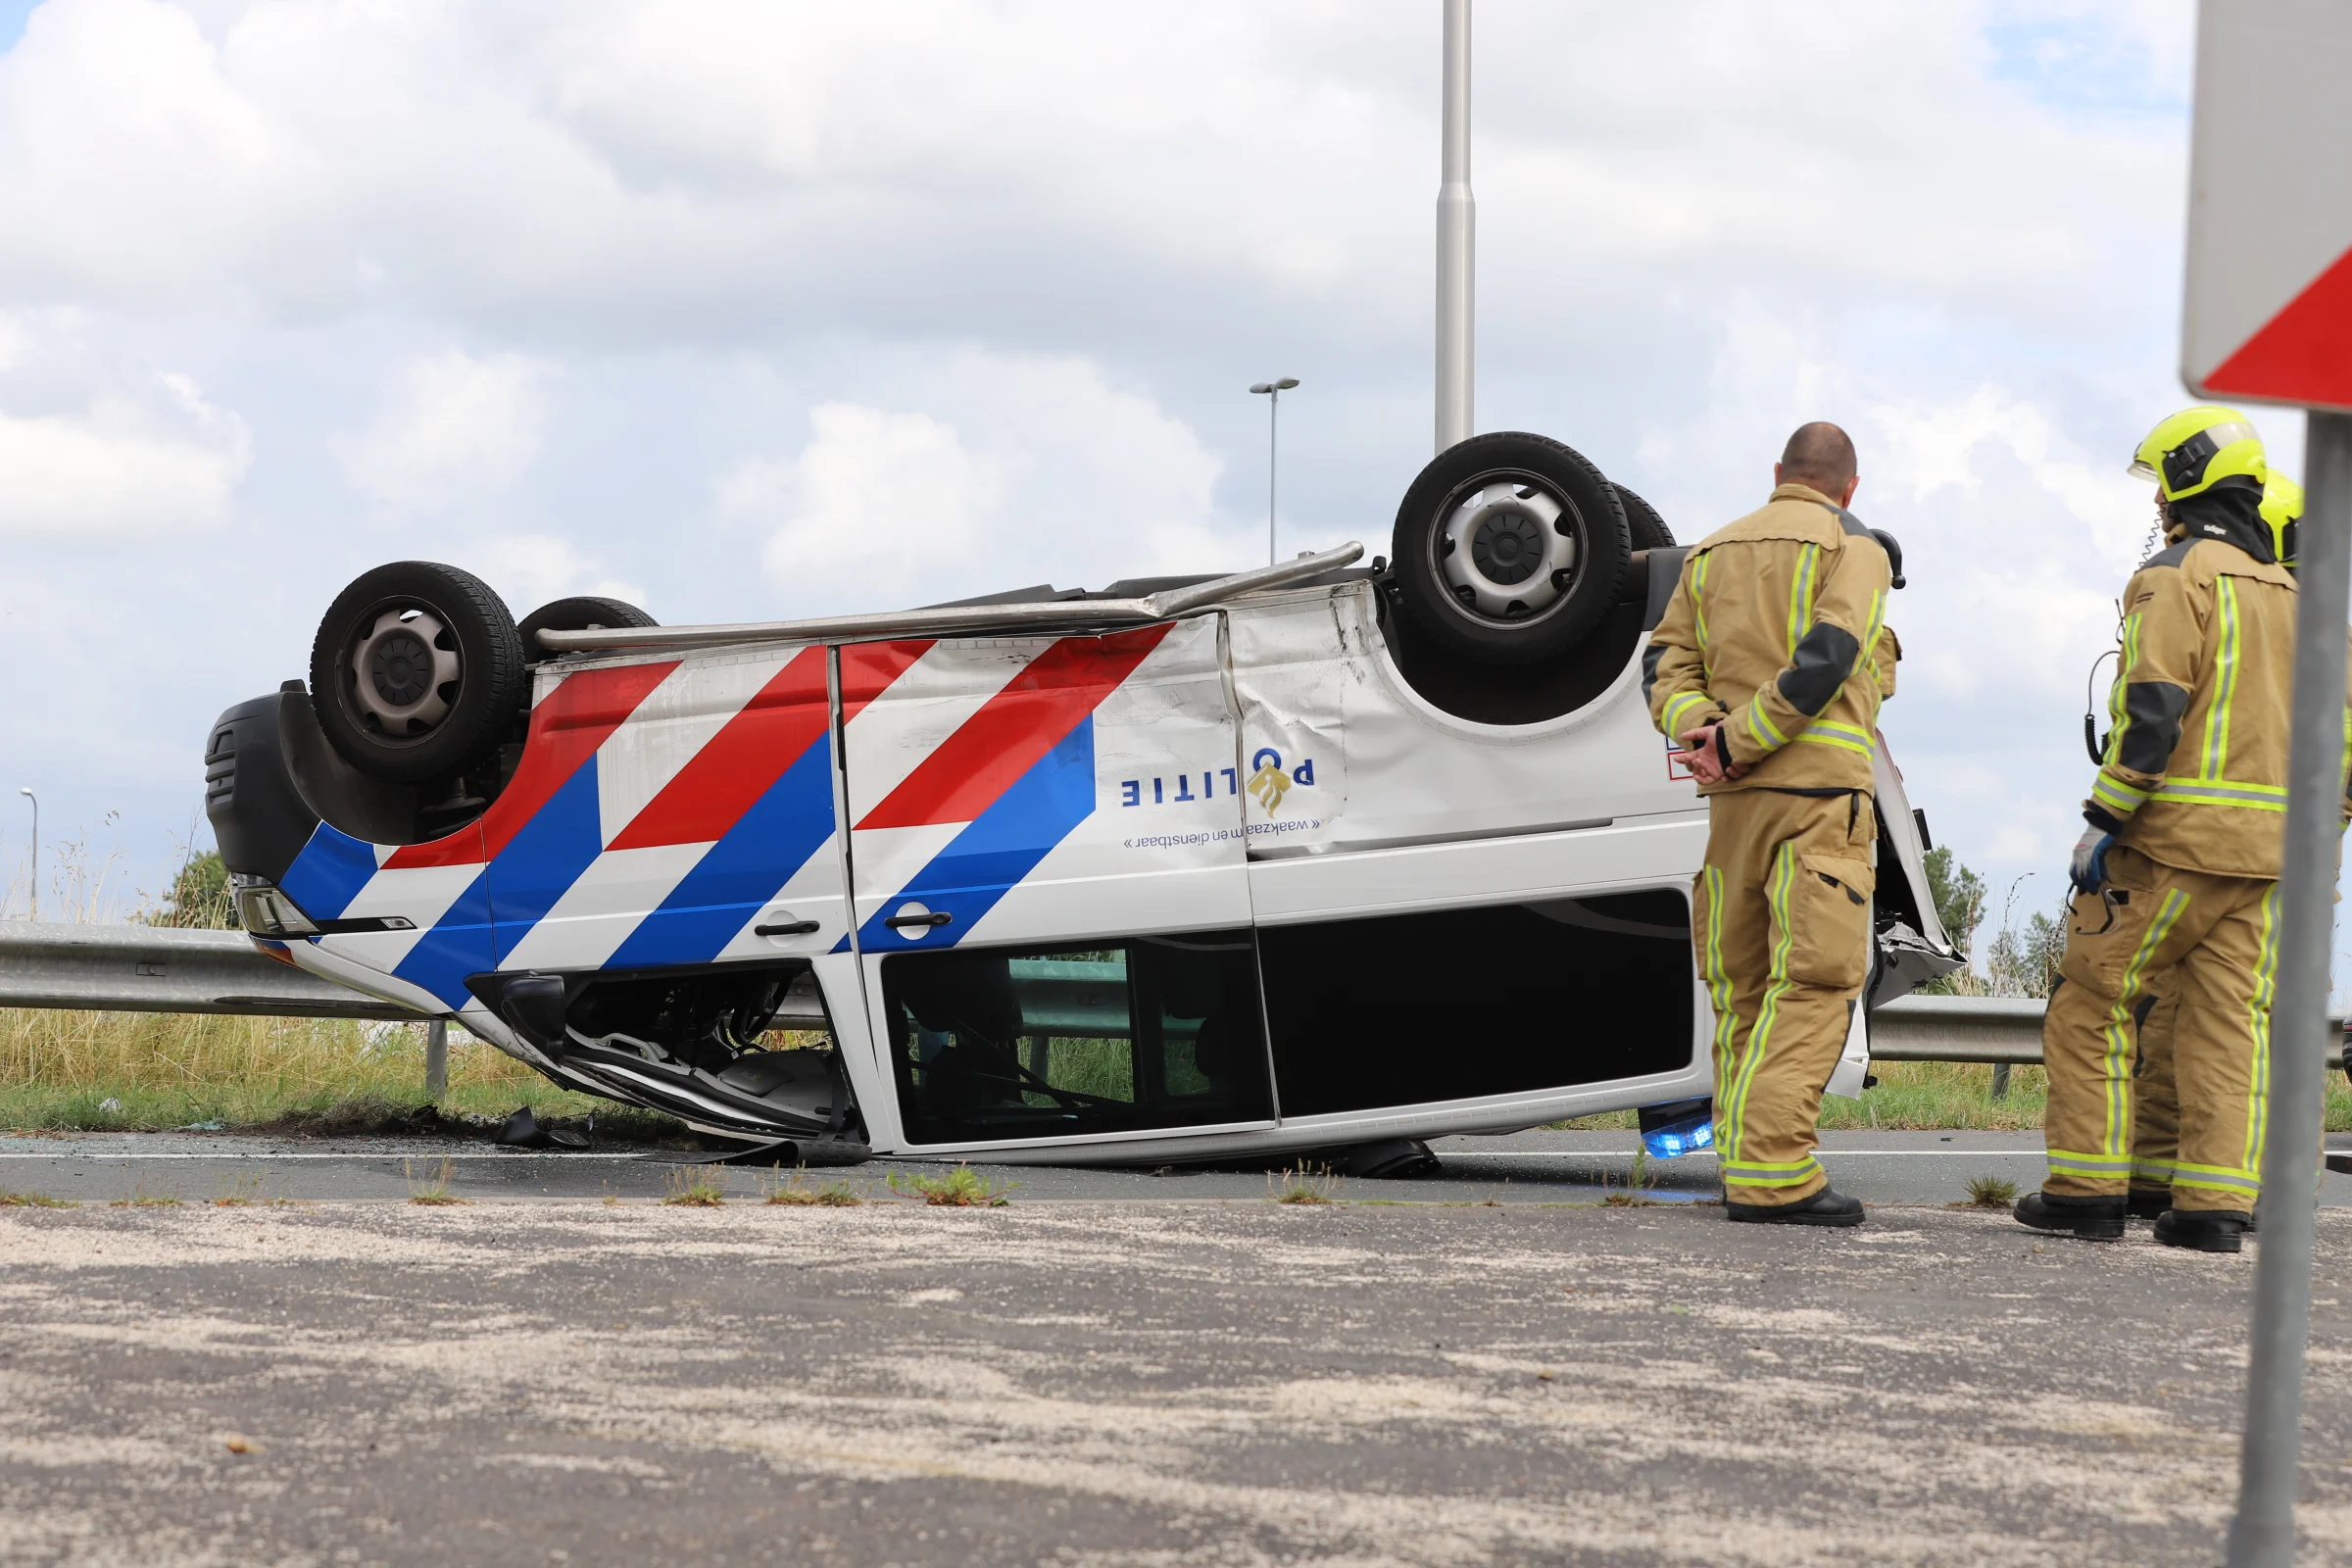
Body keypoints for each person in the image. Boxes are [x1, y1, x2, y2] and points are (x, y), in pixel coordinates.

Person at [2018, 407, 2312, 1253]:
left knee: (2092, 1000)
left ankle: (2085, 1192)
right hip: (2267, 857)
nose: (2157, 506)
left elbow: (2151, 710)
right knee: (2228, 1024)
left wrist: (2103, 821)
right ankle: (2212, 1211)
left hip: (2173, 841)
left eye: (2161, 486)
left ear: (2189, 478)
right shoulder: (2295, 595)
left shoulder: (2174, 577)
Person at [1643, 421, 1894, 1226]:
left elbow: (1664, 666)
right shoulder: (1855, 551)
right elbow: (1828, 657)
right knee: (1814, 986)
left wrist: (1704, 735)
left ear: (1777, 473)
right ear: (1850, 489)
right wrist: (1745, 737)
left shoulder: (1709, 554)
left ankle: (1745, 1164)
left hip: (1732, 813)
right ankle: (1777, 1173)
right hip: (1817, 803)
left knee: (1744, 990)